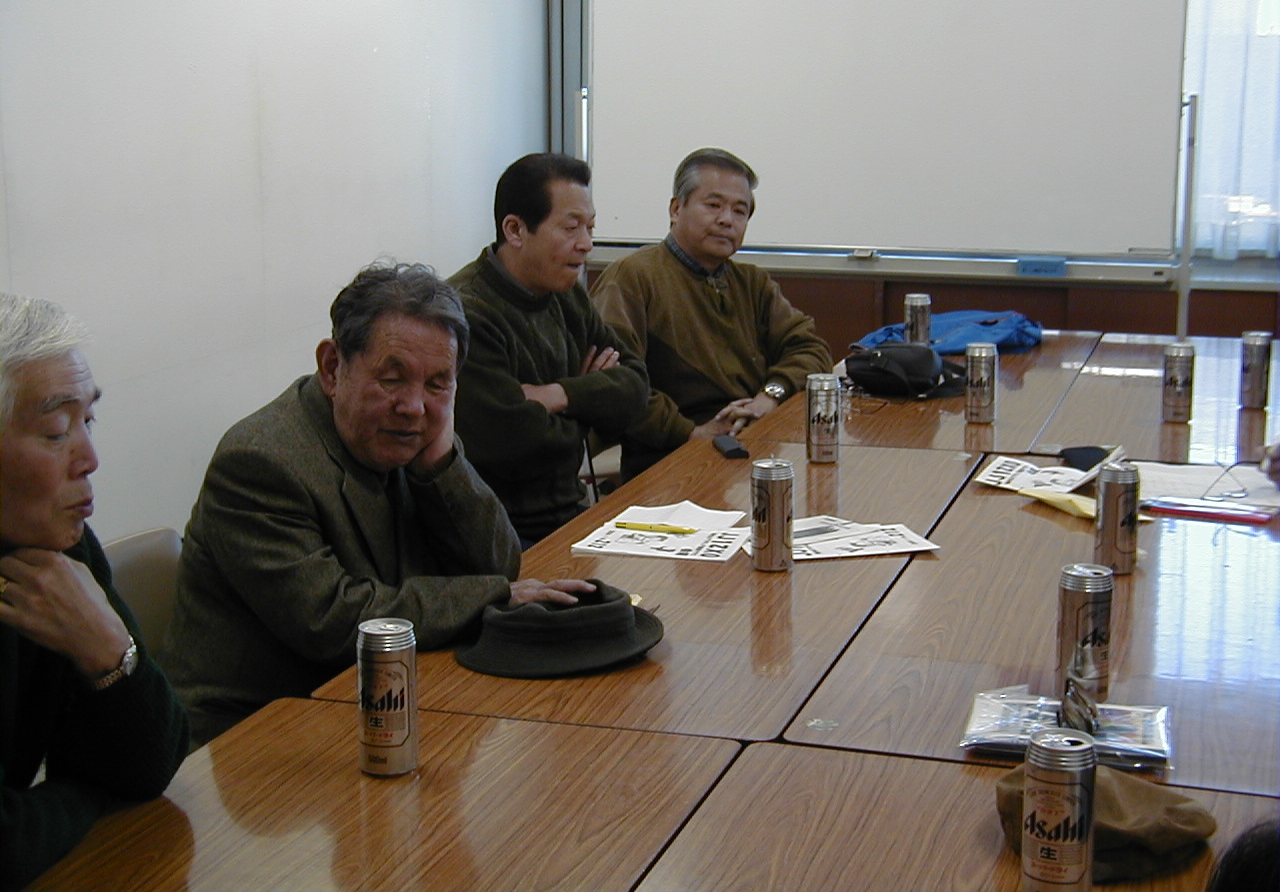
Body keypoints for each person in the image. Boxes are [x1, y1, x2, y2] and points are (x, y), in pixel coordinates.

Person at [165, 262, 592, 747]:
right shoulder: (260, 462)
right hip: (256, 733)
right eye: (393, 379)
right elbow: (333, 621)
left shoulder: (416, 437)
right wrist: (491, 597)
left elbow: (498, 564)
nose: (414, 406)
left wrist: (442, 466)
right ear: (332, 368)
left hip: (378, 697)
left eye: (437, 384)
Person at [0, 294, 188, 891]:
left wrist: (109, 652)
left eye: (89, 422)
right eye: (57, 432)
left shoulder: (61, 552)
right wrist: (85, 793)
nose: (90, 458)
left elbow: (152, 764)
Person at [591, 148, 832, 481]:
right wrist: (692, 433)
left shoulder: (752, 282)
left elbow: (810, 348)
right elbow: (616, 382)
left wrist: (768, 397)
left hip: (755, 441)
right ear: (676, 209)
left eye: (740, 210)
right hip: (670, 458)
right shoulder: (633, 277)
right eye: (714, 205)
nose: (726, 220)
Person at [448, 153, 648, 544]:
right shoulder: (466, 312)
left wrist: (559, 394)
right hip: (498, 533)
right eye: (571, 228)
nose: (586, 244)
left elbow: (636, 388)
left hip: (571, 512)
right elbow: (514, 444)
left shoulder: (568, 294)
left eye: (590, 227)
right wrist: (592, 401)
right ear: (515, 230)